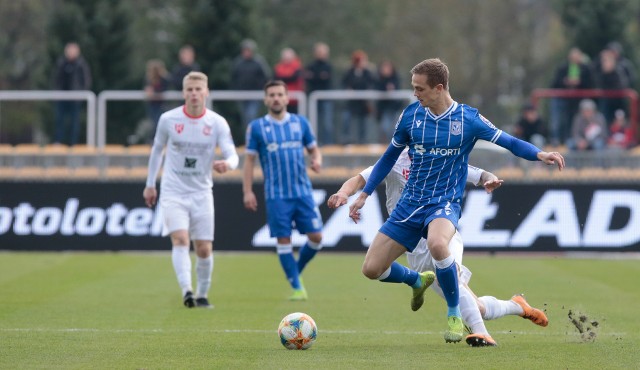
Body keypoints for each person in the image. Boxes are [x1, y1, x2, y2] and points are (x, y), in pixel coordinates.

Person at [348, 58, 564, 343]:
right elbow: (388, 157)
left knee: (439, 245)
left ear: (439, 88)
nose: (415, 94)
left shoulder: (467, 119)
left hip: (443, 203)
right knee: (371, 268)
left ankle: (459, 319)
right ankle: (513, 305)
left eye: (420, 89)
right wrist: (364, 194)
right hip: (410, 204)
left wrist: (539, 154)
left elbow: (507, 141)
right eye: (413, 88)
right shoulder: (411, 116)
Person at [327, 149, 548, 347]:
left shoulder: (441, 156)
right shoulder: (395, 160)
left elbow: (476, 173)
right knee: (476, 307)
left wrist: (489, 178)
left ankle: (482, 334)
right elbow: (359, 179)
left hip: (442, 231)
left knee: (449, 274)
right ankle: (517, 306)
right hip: (411, 243)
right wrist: (344, 193)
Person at [143, 72, 239, 309]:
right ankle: (187, 290)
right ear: (184, 92)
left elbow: (232, 153)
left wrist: (228, 164)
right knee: (180, 239)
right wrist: (150, 184)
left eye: (198, 90)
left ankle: (202, 293)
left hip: (201, 192)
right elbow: (157, 151)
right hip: (173, 190)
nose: (194, 94)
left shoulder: (216, 123)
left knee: (204, 248)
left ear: (206, 92)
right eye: (190, 90)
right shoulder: (168, 119)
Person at [243, 80, 323, 301]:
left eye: (280, 94)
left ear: (287, 98)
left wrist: (316, 161)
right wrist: (247, 191)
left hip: (303, 192)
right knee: (283, 240)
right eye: (272, 95)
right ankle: (297, 287)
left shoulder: (300, 123)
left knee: (316, 237)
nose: (276, 98)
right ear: (266, 99)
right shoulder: (257, 127)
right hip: (276, 195)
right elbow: (249, 161)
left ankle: (294, 273)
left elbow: (315, 151)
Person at [549, 47, 594, 145]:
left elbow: (590, 84)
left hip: (579, 101)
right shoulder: (563, 68)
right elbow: (555, 83)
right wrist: (566, 82)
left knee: (575, 121)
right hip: (565, 100)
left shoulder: (585, 68)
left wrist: (579, 82)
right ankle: (557, 139)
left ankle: (572, 139)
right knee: (561, 120)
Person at [51, 41, 92, 146]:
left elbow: (86, 80)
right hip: (61, 97)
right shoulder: (62, 63)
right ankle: (58, 141)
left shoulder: (81, 64)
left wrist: (81, 93)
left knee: (74, 122)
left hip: (75, 98)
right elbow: (57, 80)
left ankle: (73, 143)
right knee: (59, 120)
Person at [231, 39, 271, 129]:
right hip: (241, 95)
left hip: (255, 96)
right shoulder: (238, 62)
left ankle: (252, 136)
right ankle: (248, 138)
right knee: (244, 119)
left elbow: (266, 77)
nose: (246, 52)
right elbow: (234, 77)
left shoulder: (259, 62)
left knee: (251, 116)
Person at [341, 50, 376, 144]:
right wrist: (348, 89)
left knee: (363, 122)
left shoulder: (368, 72)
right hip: (352, 103)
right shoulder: (350, 72)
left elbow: (372, 83)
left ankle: (362, 140)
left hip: (363, 103)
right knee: (347, 119)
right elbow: (344, 83)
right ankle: (346, 138)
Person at [304, 42, 334, 145]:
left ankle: (328, 143)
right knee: (313, 122)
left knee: (327, 123)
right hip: (313, 99)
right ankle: (313, 142)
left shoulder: (328, 66)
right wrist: (319, 77)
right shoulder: (311, 66)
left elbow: (325, 79)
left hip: (325, 98)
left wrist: (315, 77)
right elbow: (309, 78)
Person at [376, 60, 403, 142]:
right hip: (384, 109)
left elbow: (398, 90)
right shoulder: (379, 79)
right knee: (385, 127)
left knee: (395, 128)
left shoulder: (396, 78)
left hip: (395, 108)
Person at [143, 59, 171, 138]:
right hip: (153, 105)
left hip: (162, 105)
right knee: (154, 124)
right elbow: (148, 91)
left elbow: (168, 83)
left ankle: (158, 139)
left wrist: (164, 74)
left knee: (160, 123)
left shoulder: (163, 79)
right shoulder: (148, 79)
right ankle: (152, 140)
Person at [273, 47, 304, 114]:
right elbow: (276, 78)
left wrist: (283, 78)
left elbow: (294, 78)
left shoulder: (297, 66)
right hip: (281, 99)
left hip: (294, 99)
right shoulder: (279, 67)